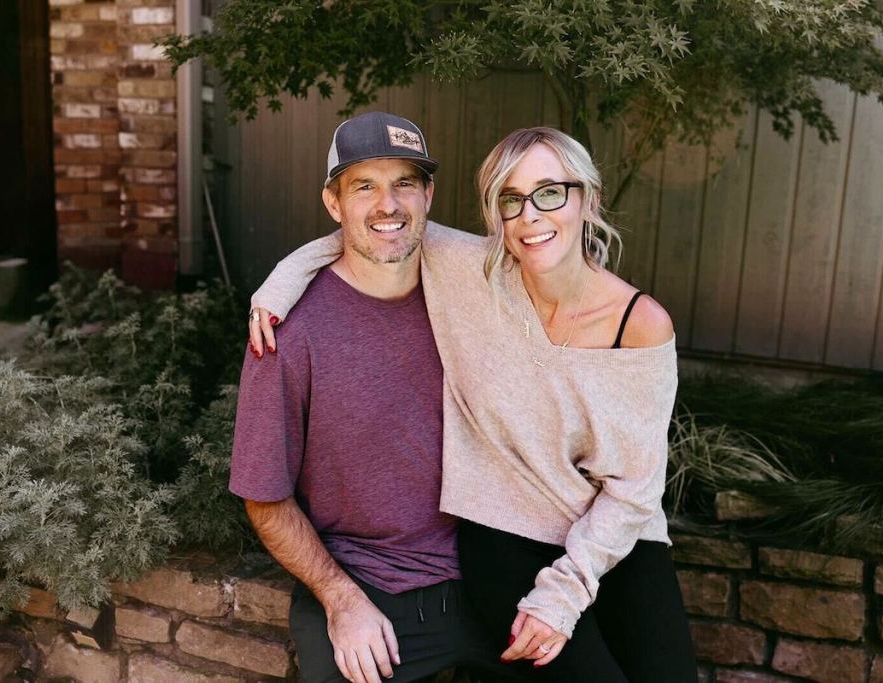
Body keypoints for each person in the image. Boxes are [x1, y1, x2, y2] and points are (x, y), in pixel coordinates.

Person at [248, 123, 698, 683]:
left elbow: (637, 487)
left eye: (550, 193)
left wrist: (568, 591)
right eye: (511, 200)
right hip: (506, 539)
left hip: (614, 539)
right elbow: (375, 232)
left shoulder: (642, 324)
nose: (531, 216)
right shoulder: (475, 274)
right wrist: (275, 289)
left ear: (588, 197)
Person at [230, 111, 533, 683]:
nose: (387, 205)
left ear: (428, 195)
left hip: (490, 573)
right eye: (364, 185)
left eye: (404, 183)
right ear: (333, 202)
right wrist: (340, 601)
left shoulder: (473, 298)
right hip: (369, 589)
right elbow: (265, 498)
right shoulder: (286, 332)